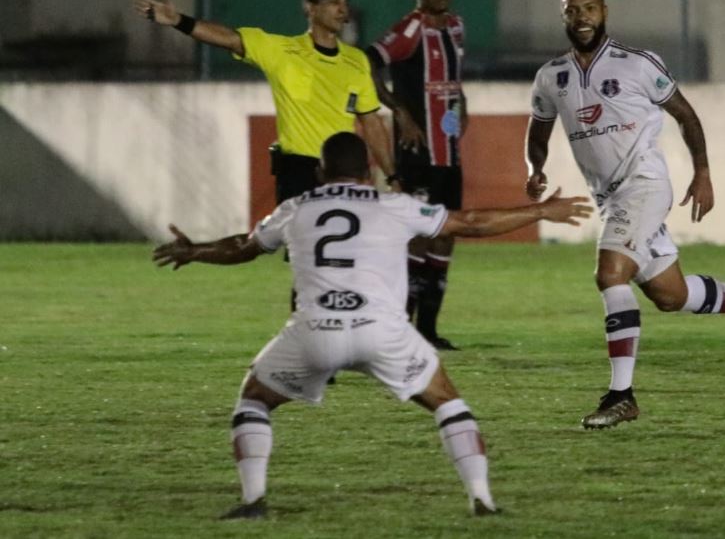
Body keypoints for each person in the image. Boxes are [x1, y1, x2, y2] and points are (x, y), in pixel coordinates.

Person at [152, 131, 593, 518]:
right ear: (368, 170)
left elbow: (244, 247)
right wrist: (539, 212)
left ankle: (253, 501)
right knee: (447, 402)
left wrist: (195, 251)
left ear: (321, 171)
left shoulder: (295, 207)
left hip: (314, 332)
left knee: (253, 401)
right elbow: (470, 223)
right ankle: (482, 501)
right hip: (382, 331)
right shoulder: (396, 204)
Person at [525, 0, 725, 430]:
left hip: (646, 185)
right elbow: (537, 134)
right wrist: (534, 169)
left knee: (610, 273)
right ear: (564, 16)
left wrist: (703, 172)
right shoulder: (551, 77)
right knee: (670, 295)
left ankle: (621, 395)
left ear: (605, 11)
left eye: (590, 8)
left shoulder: (637, 64)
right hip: (611, 199)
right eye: (573, 10)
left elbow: (686, 115)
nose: (582, 17)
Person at [133, 0, 398, 204]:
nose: (343, 9)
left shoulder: (356, 61)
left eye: (345, 2)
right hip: (299, 169)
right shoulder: (282, 51)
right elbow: (230, 39)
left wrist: (392, 176)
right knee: (302, 254)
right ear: (310, 8)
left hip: (343, 171)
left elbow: (371, 122)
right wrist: (179, 20)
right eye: (333, 1)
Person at [367, 0, 467, 350]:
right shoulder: (410, 29)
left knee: (446, 238)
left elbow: (453, 82)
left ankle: (428, 329)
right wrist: (400, 111)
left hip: (450, 154)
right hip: (417, 153)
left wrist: (463, 106)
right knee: (417, 237)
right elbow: (368, 64)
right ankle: (399, 328)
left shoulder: (457, 26)